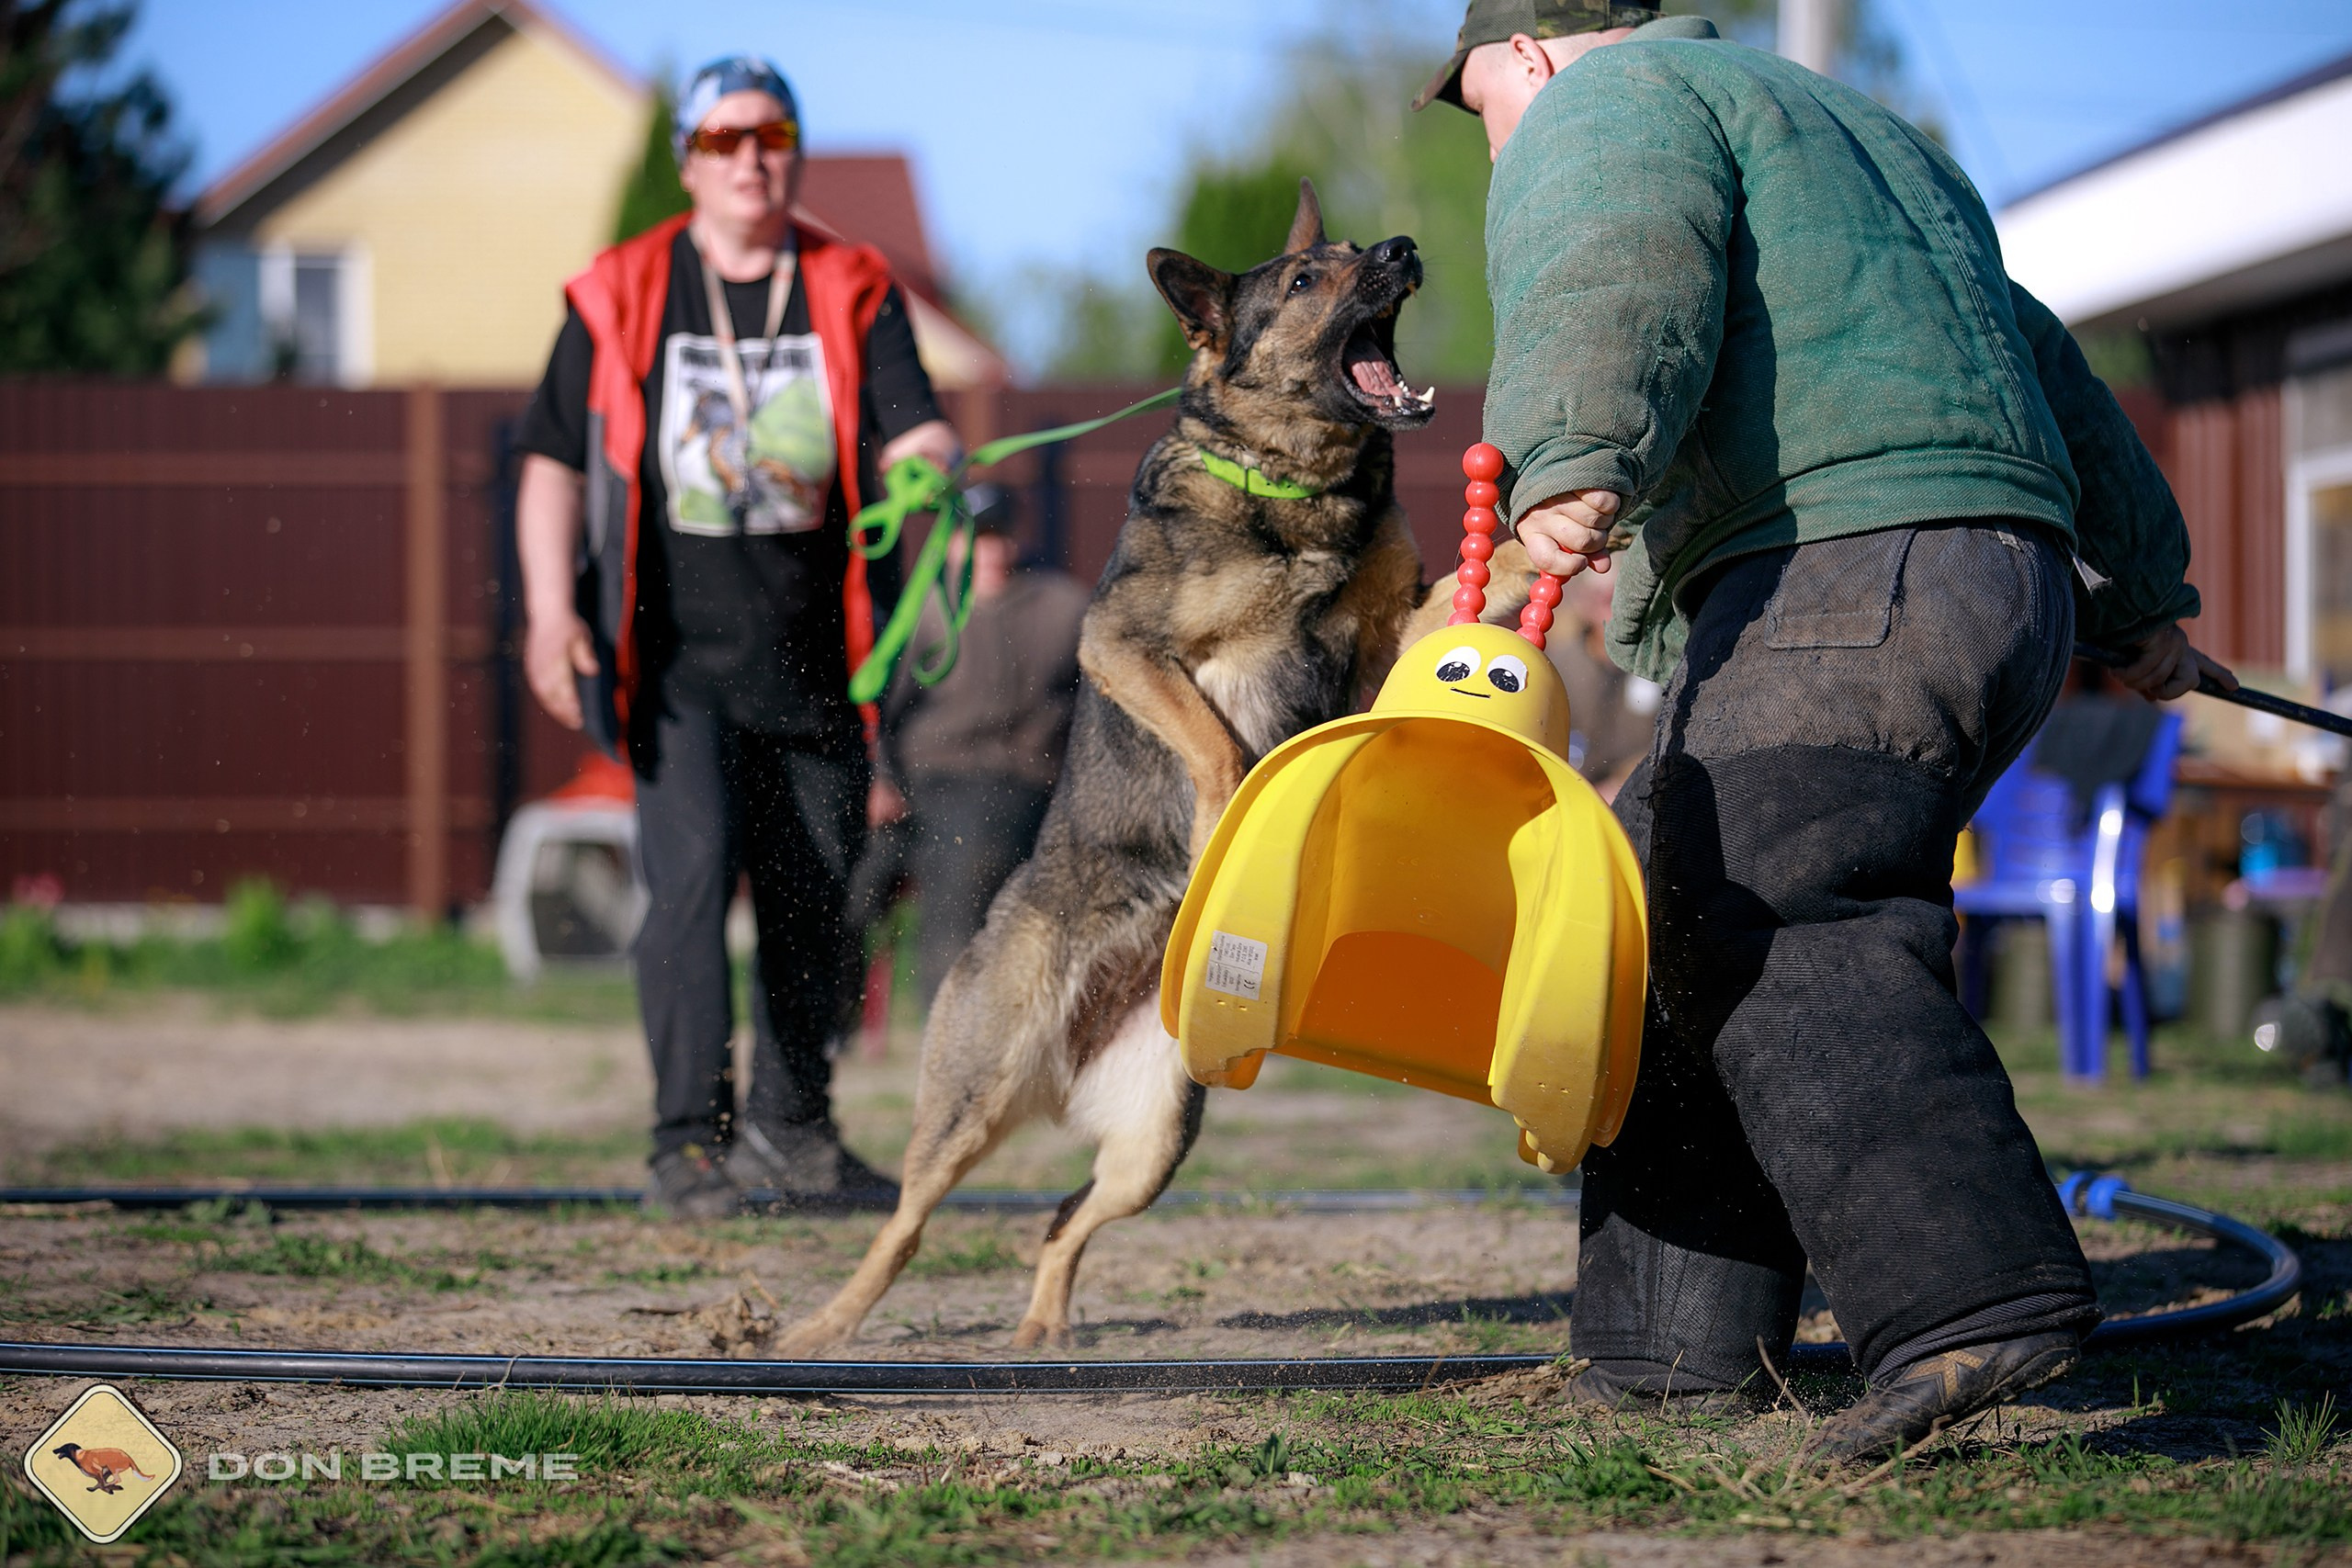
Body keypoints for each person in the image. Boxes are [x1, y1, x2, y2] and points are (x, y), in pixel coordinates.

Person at [1416, 0, 2237, 1459]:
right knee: (1665, 905)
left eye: (1479, 106)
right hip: (1999, 583)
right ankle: (1670, 1344)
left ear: (1533, 54)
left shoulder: (1616, 101)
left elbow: (1613, 255)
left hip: (1847, 567)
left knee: (1788, 909)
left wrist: (1571, 449)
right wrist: (2142, 604)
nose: (1496, 145)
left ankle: (1969, 1301)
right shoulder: (1873, 142)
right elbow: (2046, 367)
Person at [513, 56, 958, 1217]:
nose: (749, 158)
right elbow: (551, 462)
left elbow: (917, 429)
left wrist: (932, 468)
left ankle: (794, 1133)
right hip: (671, 662)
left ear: (794, 149)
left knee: (817, 898)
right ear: (688, 163)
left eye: (768, 136)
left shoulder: (854, 285)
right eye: (722, 141)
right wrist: (552, 612)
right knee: (693, 883)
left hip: (823, 663)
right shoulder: (620, 290)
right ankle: (687, 1146)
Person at [857, 491, 1088, 1009]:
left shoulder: (1063, 608)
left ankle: (968, 1015)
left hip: (1025, 783)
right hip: (928, 783)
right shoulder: (925, 613)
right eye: (976, 538)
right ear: (954, 544)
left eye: (997, 536)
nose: (989, 550)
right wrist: (882, 780)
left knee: (977, 858)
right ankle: (836, 1018)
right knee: (853, 876)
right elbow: (884, 709)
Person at [1544, 565, 1657, 802]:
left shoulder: (1656, 666)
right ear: (1585, 604)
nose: (1616, 611)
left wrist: (1622, 783)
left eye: (1623, 599)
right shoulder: (1558, 666)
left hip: (1632, 795)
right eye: (1606, 600)